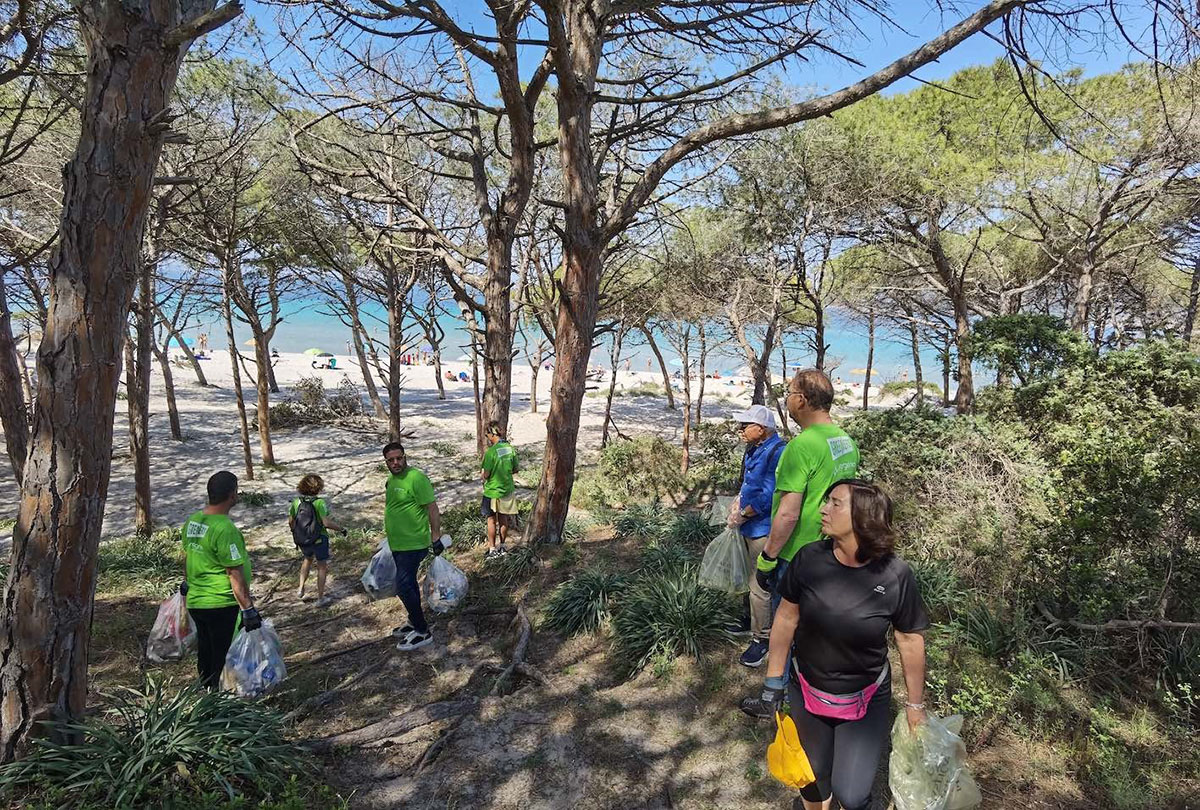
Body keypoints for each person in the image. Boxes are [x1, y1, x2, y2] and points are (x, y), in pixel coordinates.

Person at [751, 481, 929, 810]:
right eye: (826, 501)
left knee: (852, 795)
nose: (823, 509)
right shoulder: (809, 559)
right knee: (812, 775)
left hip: (865, 696)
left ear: (864, 517)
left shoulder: (894, 575)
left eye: (835, 503)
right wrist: (773, 681)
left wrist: (915, 707)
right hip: (806, 687)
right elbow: (787, 618)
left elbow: (910, 640)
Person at [741, 369, 860, 717]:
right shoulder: (844, 440)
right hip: (833, 550)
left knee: (785, 628)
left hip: (798, 556)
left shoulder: (801, 446)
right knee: (817, 628)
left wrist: (767, 558)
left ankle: (777, 699)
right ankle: (813, 696)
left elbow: (788, 514)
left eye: (791, 392)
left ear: (803, 400)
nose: (788, 397)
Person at [182, 471, 260, 690]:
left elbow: (188, 555)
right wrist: (248, 609)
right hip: (220, 602)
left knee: (206, 651)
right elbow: (234, 573)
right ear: (232, 494)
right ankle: (221, 698)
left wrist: (187, 582)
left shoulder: (194, 521)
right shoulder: (225, 529)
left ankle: (207, 691)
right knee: (223, 654)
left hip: (197, 601)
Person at [725, 404, 786, 667]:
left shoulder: (777, 452)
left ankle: (762, 639)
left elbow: (771, 494)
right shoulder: (754, 448)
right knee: (747, 574)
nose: (740, 430)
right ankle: (749, 620)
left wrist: (745, 513)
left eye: (744, 425)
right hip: (748, 523)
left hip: (763, 528)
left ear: (761, 429)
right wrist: (738, 501)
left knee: (759, 583)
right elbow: (750, 483)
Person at [382, 441, 449, 651]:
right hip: (397, 543)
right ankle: (413, 620)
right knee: (406, 585)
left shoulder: (417, 478)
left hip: (414, 543)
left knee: (404, 586)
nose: (396, 462)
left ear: (405, 456)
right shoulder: (391, 480)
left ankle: (422, 631)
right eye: (391, 460)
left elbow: (432, 508)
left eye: (399, 458)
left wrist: (435, 536)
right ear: (386, 462)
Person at [289, 474, 347, 607]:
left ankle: (301, 588)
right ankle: (320, 598)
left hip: (303, 539)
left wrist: (296, 533)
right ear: (318, 488)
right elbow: (326, 523)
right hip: (319, 539)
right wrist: (341, 529)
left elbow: (291, 521)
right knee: (322, 566)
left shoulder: (296, 502)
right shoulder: (319, 503)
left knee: (307, 560)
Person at [480, 422, 519, 559]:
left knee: (491, 521)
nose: (487, 437)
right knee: (503, 519)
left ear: (491, 434)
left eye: (487, 435)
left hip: (492, 491)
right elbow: (515, 469)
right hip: (507, 490)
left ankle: (492, 550)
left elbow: (486, 475)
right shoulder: (510, 449)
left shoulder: (491, 452)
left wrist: (484, 475)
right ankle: (502, 546)